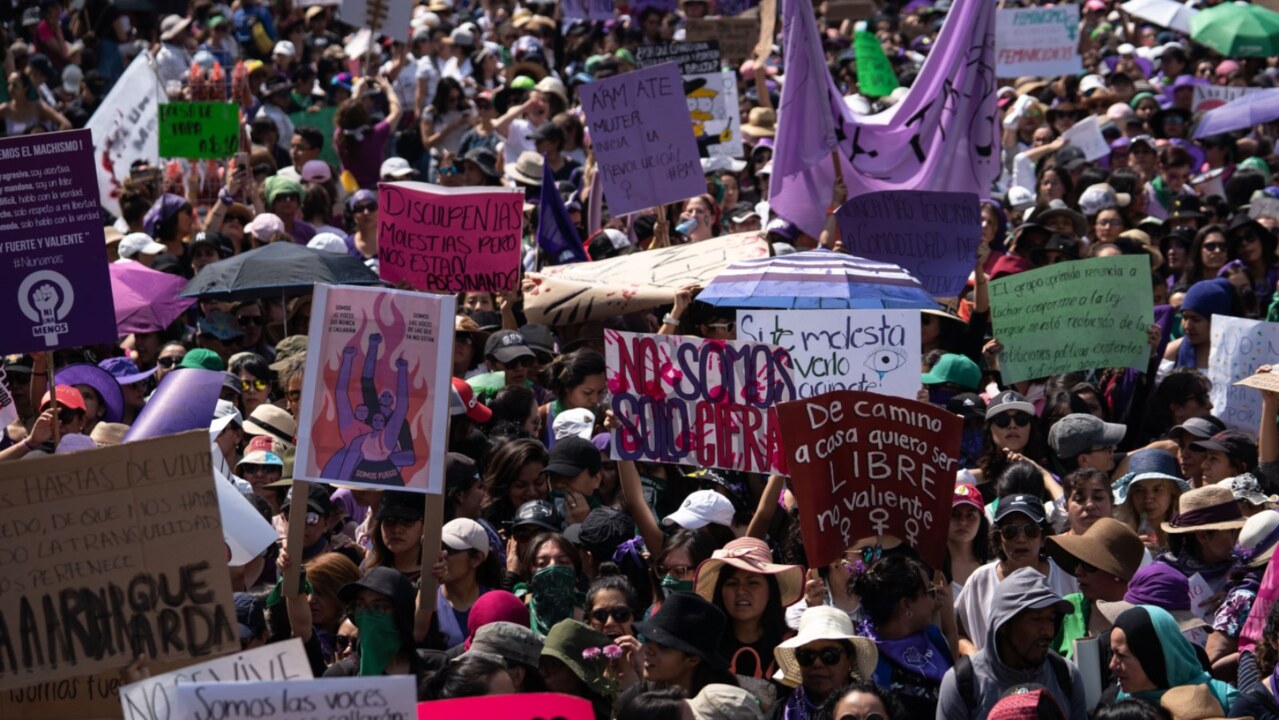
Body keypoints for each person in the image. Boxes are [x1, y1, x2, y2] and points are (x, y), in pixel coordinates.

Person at [937, 567, 1087, 720]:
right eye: (1036, 619)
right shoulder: (962, 683)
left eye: (1050, 619)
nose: (1047, 631)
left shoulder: (1066, 676)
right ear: (1003, 624)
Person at [954, 494, 1077, 653]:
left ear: (1043, 537)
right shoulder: (979, 581)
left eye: (1030, 530)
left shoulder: (1067, 572)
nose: (1021, 539)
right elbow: (955, 631)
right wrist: (974, 655)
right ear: (998, 539)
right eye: (1010, 531)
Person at [848, 555, 956, 717]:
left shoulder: (935, 639)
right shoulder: (863, 657)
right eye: (929, 591)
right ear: (906, 605)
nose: (934, 599)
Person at [1047, 518, 1145, 658]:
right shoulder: (1067, 609)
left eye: (1088, 564)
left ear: (1116, 573)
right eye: (1077, 562)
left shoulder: (1144, 618)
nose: (1078, 571)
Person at [1110, 605, 1237, 709]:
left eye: (1121, 655)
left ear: (1151, 656)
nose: (1112, 665)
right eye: (1112, 654)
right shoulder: (1123, 703)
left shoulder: (1226, 701)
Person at [772, 606, 879, 720]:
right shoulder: (782, 710)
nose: (817, 664)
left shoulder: (873, 710)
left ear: (851, 659)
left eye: (829, 655)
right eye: (807, 656)